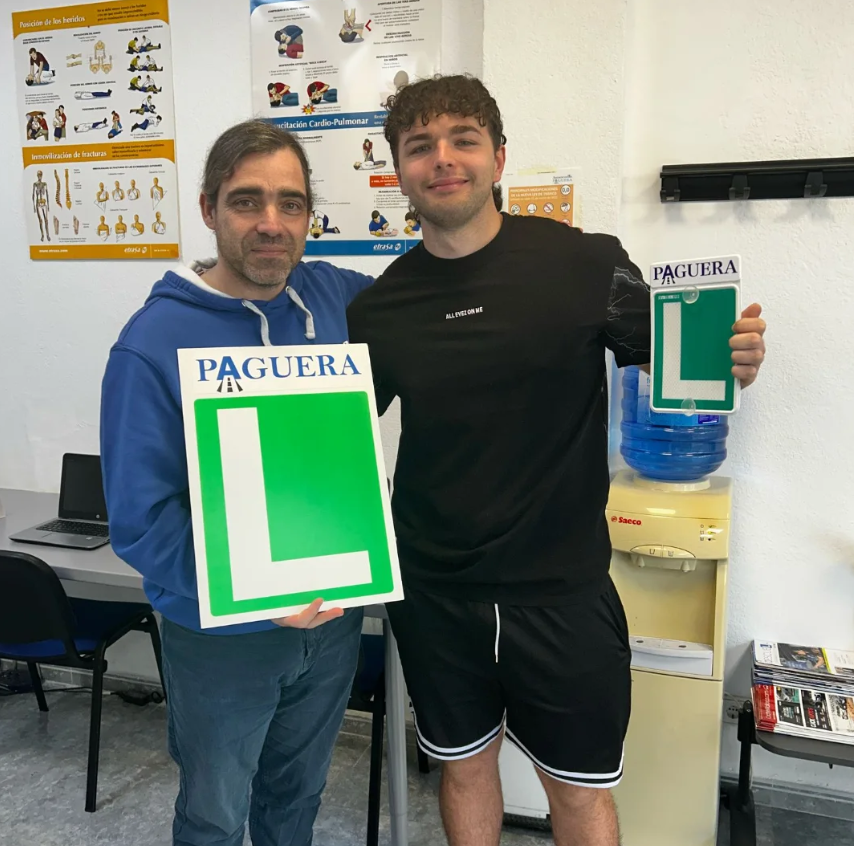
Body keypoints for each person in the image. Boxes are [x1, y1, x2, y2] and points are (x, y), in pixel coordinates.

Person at [346, 74, 767, 846]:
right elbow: (336, 437)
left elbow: (680, 363)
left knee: (578, 794)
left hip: (562, 592)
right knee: (462, 771)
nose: (444, 159)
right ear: (398, 170)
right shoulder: (377, 308)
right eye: (420, 146)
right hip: (435, 592)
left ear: (499, 158)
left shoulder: (588, 264)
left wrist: (730, 358)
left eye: (464, 140)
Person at [100, 119, 373, 846]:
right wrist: (252, 587)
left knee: (297, 800)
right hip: (221, 637)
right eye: (247, 201)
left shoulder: (332, 297)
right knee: (214, 816)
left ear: (310, 216)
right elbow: (140, 521)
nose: (271, 223)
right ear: (208, 209)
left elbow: (435, 302)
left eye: (291, 203)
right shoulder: (150, 344)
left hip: (332, 623)